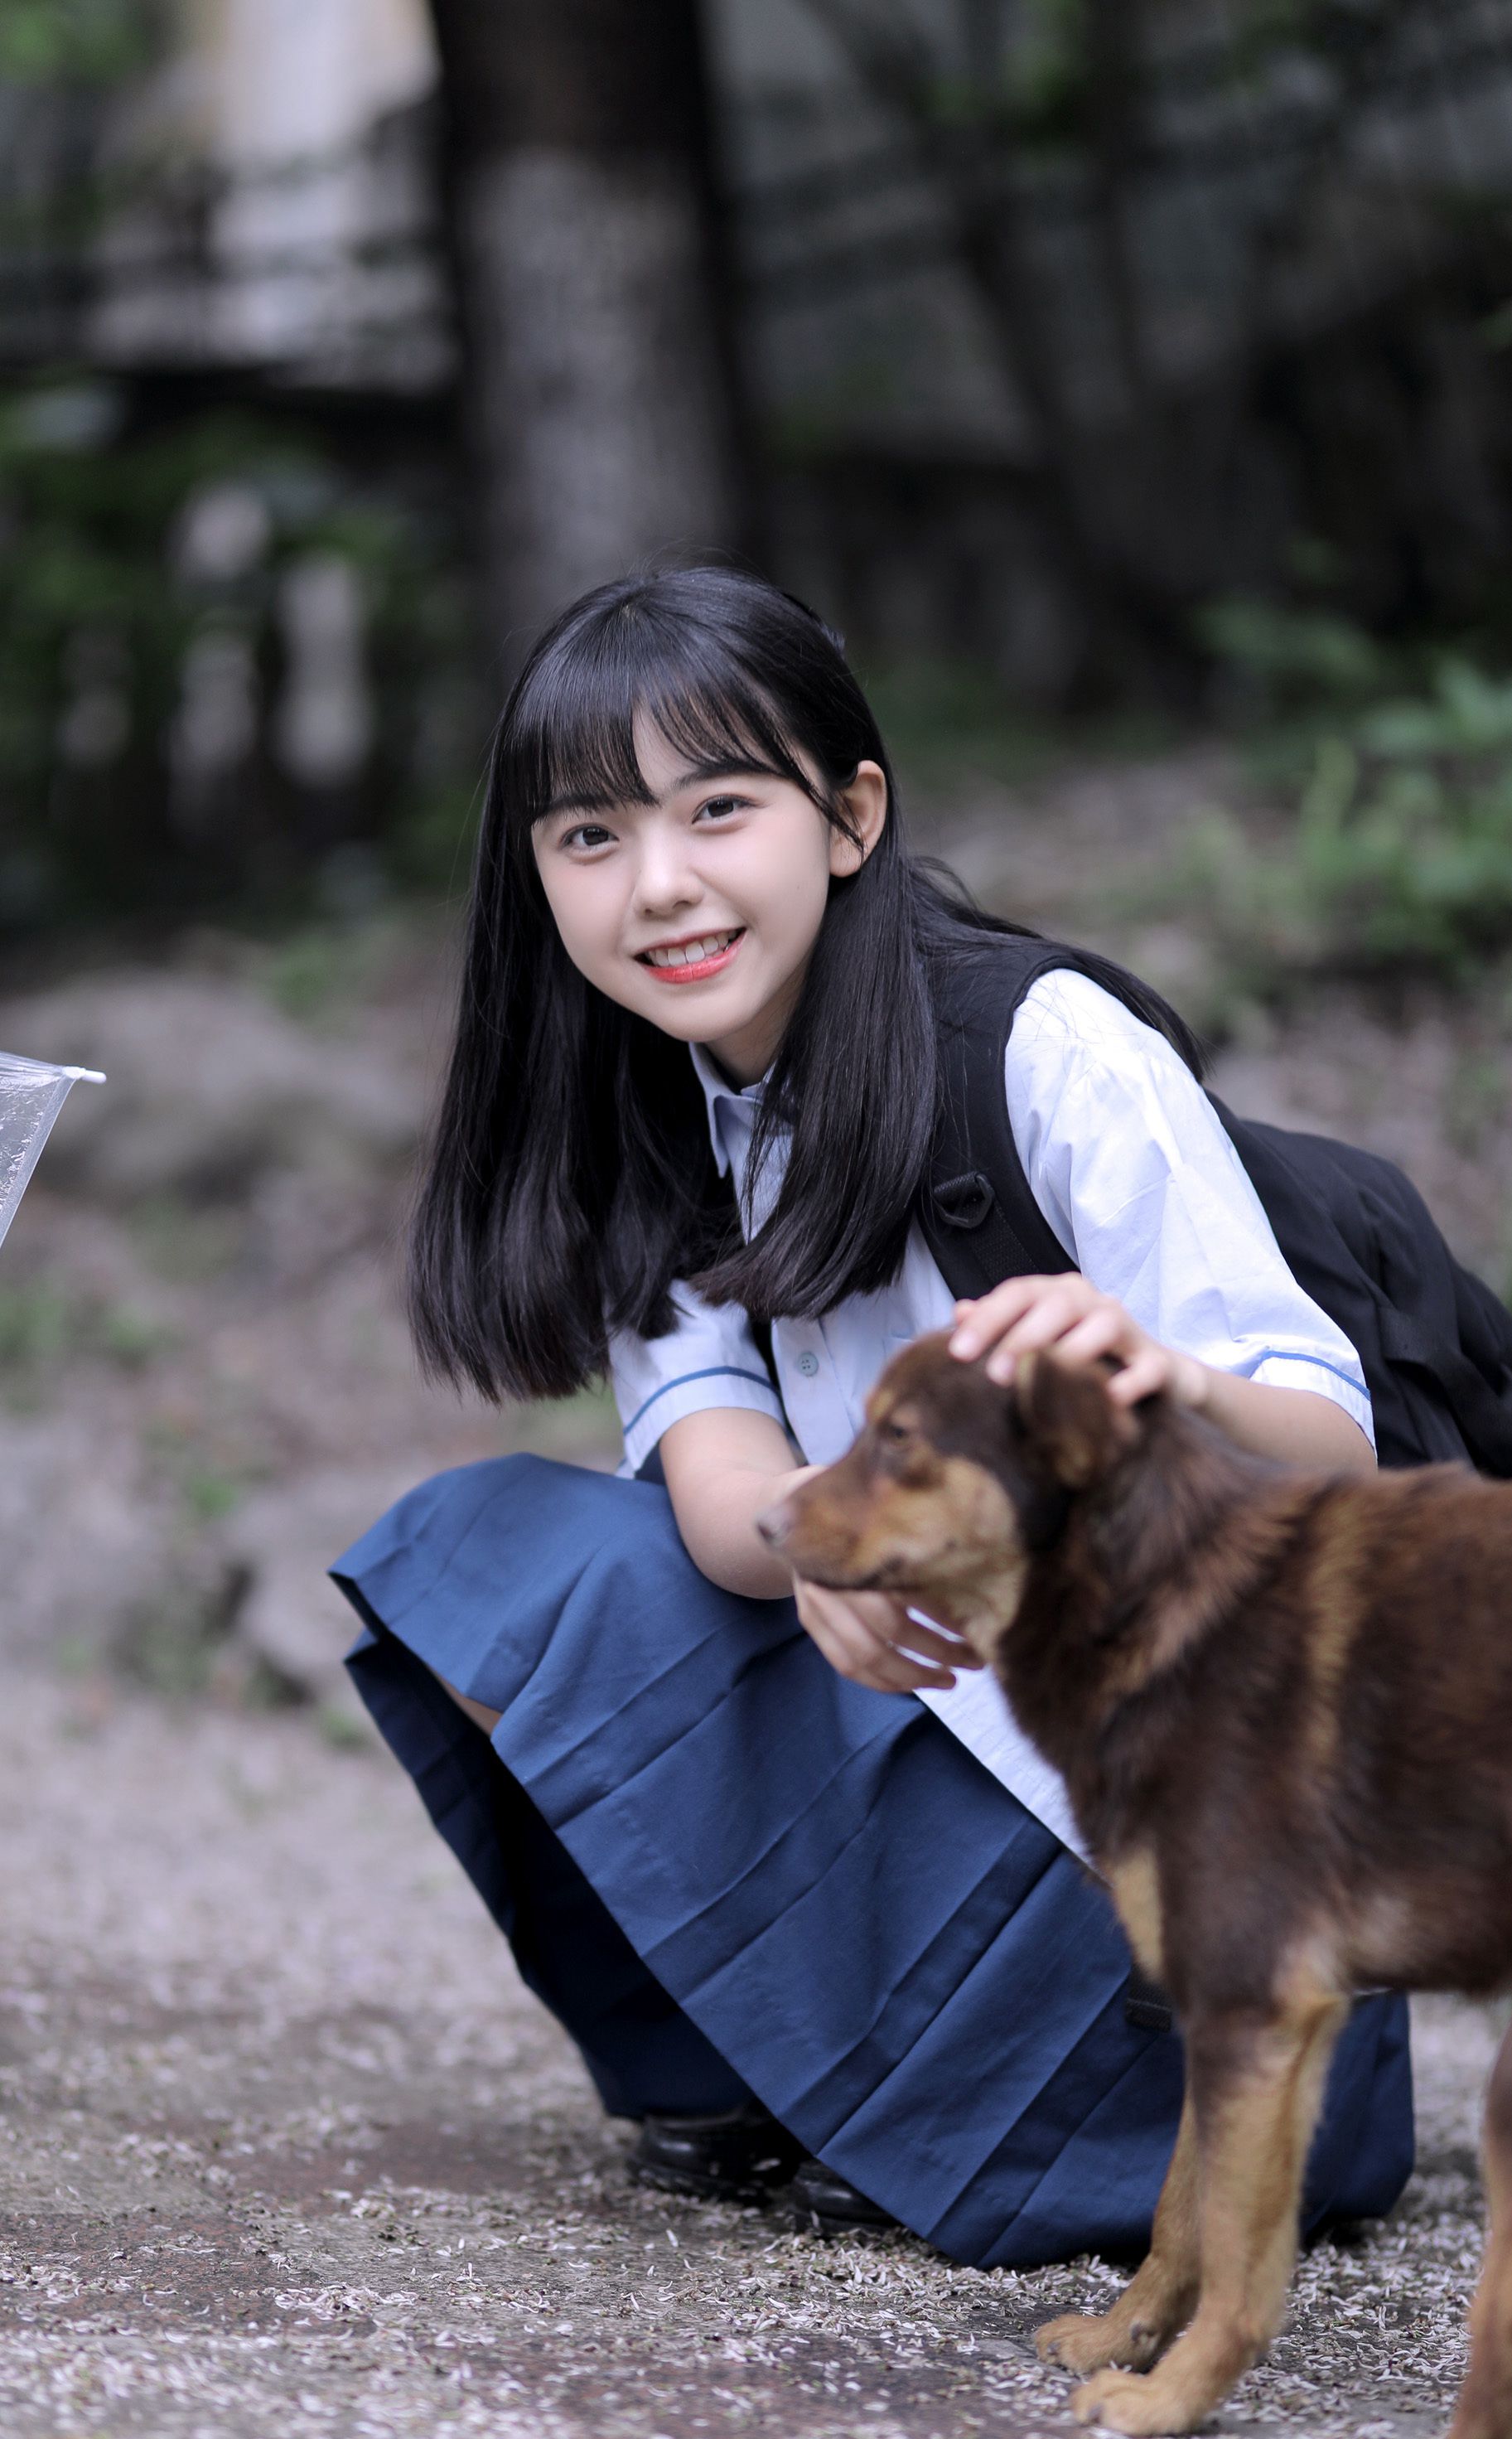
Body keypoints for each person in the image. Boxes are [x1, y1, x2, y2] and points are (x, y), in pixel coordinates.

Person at [331, 565, 1412, 2265]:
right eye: (590, 837)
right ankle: (754, 2077)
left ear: (849, 816)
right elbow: (716, 1500)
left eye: (718, 809)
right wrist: (820, 1527)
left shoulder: (1047, 1052)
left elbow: (1331, 1450)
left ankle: (1068, 2117)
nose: (661, 885)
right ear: (531, 875)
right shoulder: (652, 1115)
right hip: (968, 1747)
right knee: (504, 1554)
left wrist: (1155, 1373)